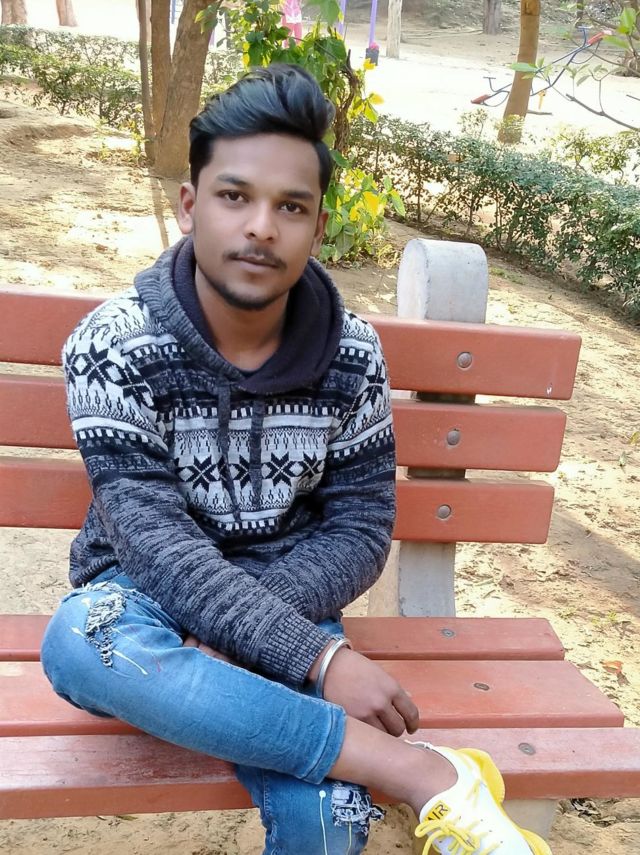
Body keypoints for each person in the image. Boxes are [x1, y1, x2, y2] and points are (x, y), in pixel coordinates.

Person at [41, 64, 551, 855]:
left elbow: (360, 526)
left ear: (317, 226)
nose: (261, 228)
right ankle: (420, 771)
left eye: (291, 207)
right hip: (145, 598)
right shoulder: (114, 343)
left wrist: (261, 634)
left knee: (327, 815)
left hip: (292, 596)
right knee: (79, 639)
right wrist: (317, 657)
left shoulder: (352, 354)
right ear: (190, 206)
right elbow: (151, 539)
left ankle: (370, 763)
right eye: (234, 196)